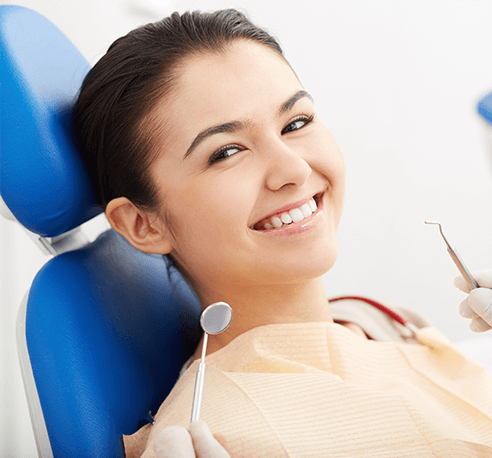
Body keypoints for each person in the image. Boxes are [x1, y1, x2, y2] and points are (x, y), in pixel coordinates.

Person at [73, 9, 492, 457]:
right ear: (144, 224)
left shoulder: (372, 322)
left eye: (296, 123)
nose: (294, 168)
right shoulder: (218, 439)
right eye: (227, 151)